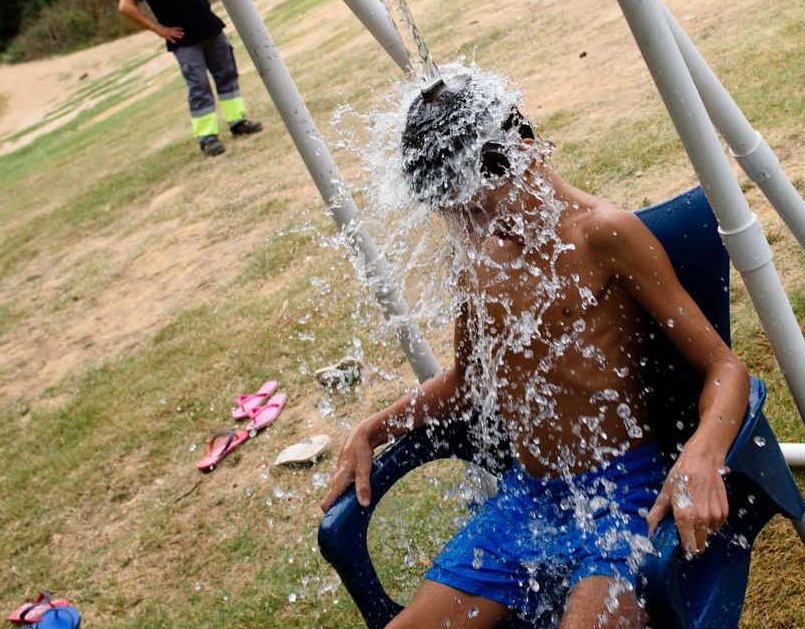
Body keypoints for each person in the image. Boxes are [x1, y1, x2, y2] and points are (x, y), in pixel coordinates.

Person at [320, 72, 749, 629]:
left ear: (520, 152)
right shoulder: (477, 255)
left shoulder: (603, 236)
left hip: (622, 495)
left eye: (480, 210)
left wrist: (704, 450)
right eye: (458, 217)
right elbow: (466, 385)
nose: (475, 232)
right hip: (527, 500)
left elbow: (725, 366)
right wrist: (373, 429)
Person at [117, 0, 262, 157]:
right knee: (199, 87)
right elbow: (125, 6)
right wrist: (159, 29)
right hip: (182, 40)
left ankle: (238, 121)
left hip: (210, 28)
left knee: (227, 74)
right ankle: (207, 138)